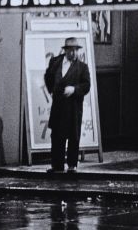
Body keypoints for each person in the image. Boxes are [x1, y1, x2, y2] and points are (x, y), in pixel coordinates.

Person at [44, 36, 91, 173]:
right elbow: (48, 76)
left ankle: (72, 165)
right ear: (65, 51)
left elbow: (86, 86)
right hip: (58, 105)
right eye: (71, 50)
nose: (74, 53)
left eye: (76, 50)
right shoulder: (55, 62)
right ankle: (56, 165)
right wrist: (51, 90)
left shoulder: (82, 67)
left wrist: (74, 90)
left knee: (73, 136)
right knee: (57, 136)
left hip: (73, 107)